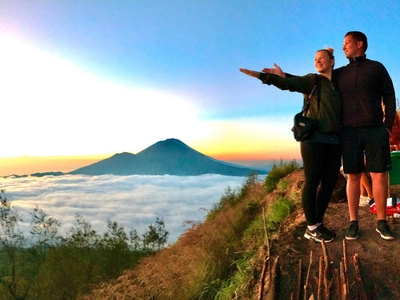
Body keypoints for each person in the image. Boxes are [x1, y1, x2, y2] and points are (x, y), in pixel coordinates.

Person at [266, 31, 396, 240]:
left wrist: (387, 127)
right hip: (348, 132)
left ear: (360, 44)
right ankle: (353, 223)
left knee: (378, 175)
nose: (344, 47)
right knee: (353, 176)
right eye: (343, 44)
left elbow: (389, 96)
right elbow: (312, 81)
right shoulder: (340, 73)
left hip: (374, 130)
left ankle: (382, 222)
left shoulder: (376, 68)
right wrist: (283, 77)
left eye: (347, 43)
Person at [240, 48, 341, 243]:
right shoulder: (312, 80)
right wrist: (262, 76)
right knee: (312, 182)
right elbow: (287, 84)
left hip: (335, 140)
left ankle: (317, 224)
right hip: (313, 139)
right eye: (315, 59)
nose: (318, 61)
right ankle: (311, 226)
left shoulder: (338, 83)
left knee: (328, 184)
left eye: (322, 58)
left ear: (332, 61)